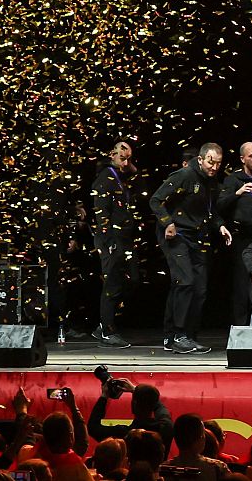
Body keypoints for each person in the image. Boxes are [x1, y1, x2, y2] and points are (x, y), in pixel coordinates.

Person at [150, 143, 233, 355]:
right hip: (177, 234)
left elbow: (211, 211)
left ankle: (182, 335)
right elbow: (156, 200)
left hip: (198, 237)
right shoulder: (184, 175)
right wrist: (167, 222)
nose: (214, 167)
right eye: (210, 162)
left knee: (199, 288)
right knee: (185, 281)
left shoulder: (212, 182)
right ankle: (178, 335)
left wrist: (221, 226)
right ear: (201, 159)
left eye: (218, 163)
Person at [90, 141, 137, 348]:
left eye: (128, 158)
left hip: (125, 239)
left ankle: (103, 324)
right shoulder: (105, 179)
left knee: (131, 279)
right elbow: (101, 213)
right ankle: (107, 330)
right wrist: (108, 240)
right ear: (111, 155)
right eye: (122, 158)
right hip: (111, 239)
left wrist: (128, 160)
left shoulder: (120, 177)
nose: (126, 163)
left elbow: (136, 174)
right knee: (112, 283)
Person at [218, 141, 252, 328]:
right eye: (251, 156)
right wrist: (237, 193)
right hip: (241, 238)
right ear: (242, 159)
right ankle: (239, 330)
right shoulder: (233, 180)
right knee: (241, 286)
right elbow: (220, 206)